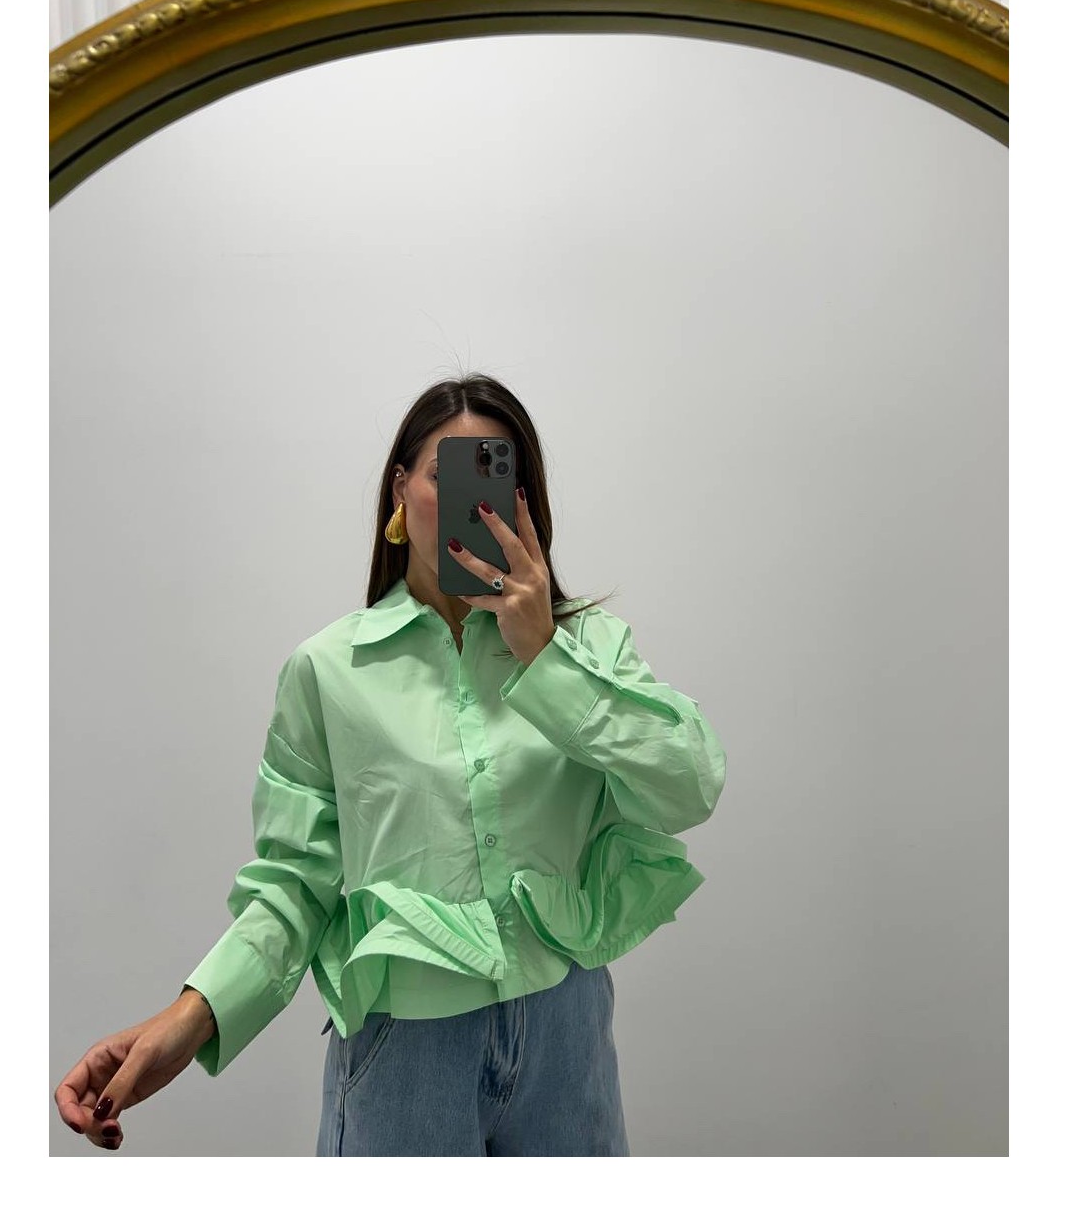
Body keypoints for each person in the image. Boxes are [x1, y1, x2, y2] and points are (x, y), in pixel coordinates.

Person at [54, 373, 727, 1155]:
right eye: (449, 475)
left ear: (525, 502)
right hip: (407, 1058)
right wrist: (189, 1018)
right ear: (401, 491)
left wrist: (546, 658)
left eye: (496, 478)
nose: (476, 505)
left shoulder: (588, 648)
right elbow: (294, 887)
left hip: (567, 1039)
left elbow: (688, 786)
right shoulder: (328, 670)